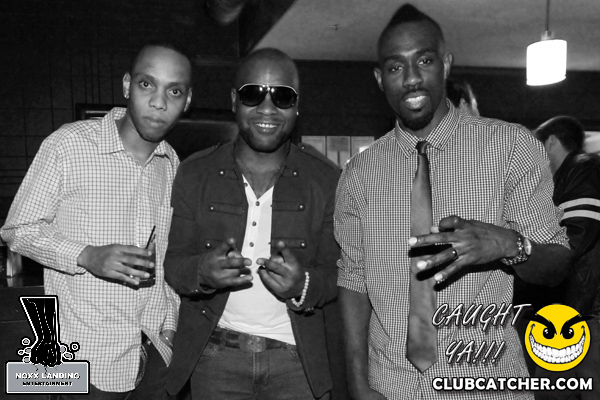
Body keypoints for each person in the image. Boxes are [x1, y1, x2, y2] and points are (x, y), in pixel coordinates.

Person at [334, 4, 572, 400]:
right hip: (392, 386)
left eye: (424, 61)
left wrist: (508, 243)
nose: (411, 78)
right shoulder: (358, 173)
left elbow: (558, 264)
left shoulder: (510, 148)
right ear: (379, 79)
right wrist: (358, 384)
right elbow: (353, 279)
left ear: (446, 65)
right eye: (395, 67)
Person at [0, 41, 193, 399]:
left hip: (153, 355)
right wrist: (86, 255)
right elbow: (17, 229)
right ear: (127, 86)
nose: (158, 102)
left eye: (174, 91)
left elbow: (168, 256)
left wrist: (169, 328)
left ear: (187, 100)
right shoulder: (68, 145)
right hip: (82, 360)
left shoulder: (172, 164)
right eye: (147, 84)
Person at [163, 48, 341, 400]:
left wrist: (302, 284)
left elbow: (340, 273)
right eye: (253, 94)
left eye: (282, 96)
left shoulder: (325, 179)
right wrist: (202, 272)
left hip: (297, 363)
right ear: (234, 100)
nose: (267, 108)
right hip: (214, 359)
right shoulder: (195, 172)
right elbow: (173, 264)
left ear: (297, 106)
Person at [516, 116, 600, 400]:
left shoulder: (583, 168)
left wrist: (535, 263)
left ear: (550, 142)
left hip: (585, 310)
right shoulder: (566, 177)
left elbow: (575, 237)